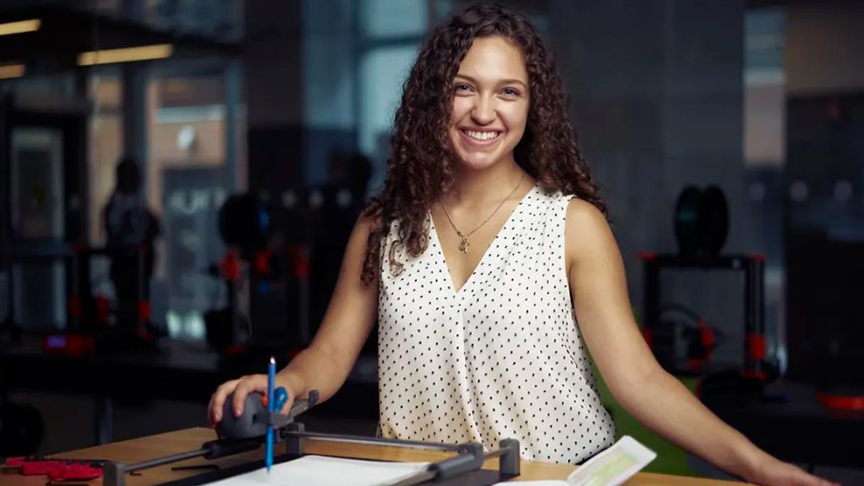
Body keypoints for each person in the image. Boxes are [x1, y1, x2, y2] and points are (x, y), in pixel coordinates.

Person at [209, 4, 836, 485]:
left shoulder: (572, 225)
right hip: (424, 478)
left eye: (508, 91)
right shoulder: (384, 226)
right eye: (464, 87)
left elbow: (639, 381)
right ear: (435, 98)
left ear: (532, 108)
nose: (485, 111)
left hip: (557, 478)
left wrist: (756, 467)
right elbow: (327, 359)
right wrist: (281, 389)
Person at [102, 156, 160, 331]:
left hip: (140, 263)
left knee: (140, 299)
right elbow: (113, 231)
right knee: (127, 302)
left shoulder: (138, 203)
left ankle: (139, 326)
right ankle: (130, 329)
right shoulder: (117, 204)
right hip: (125, 264)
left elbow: (154, 228)